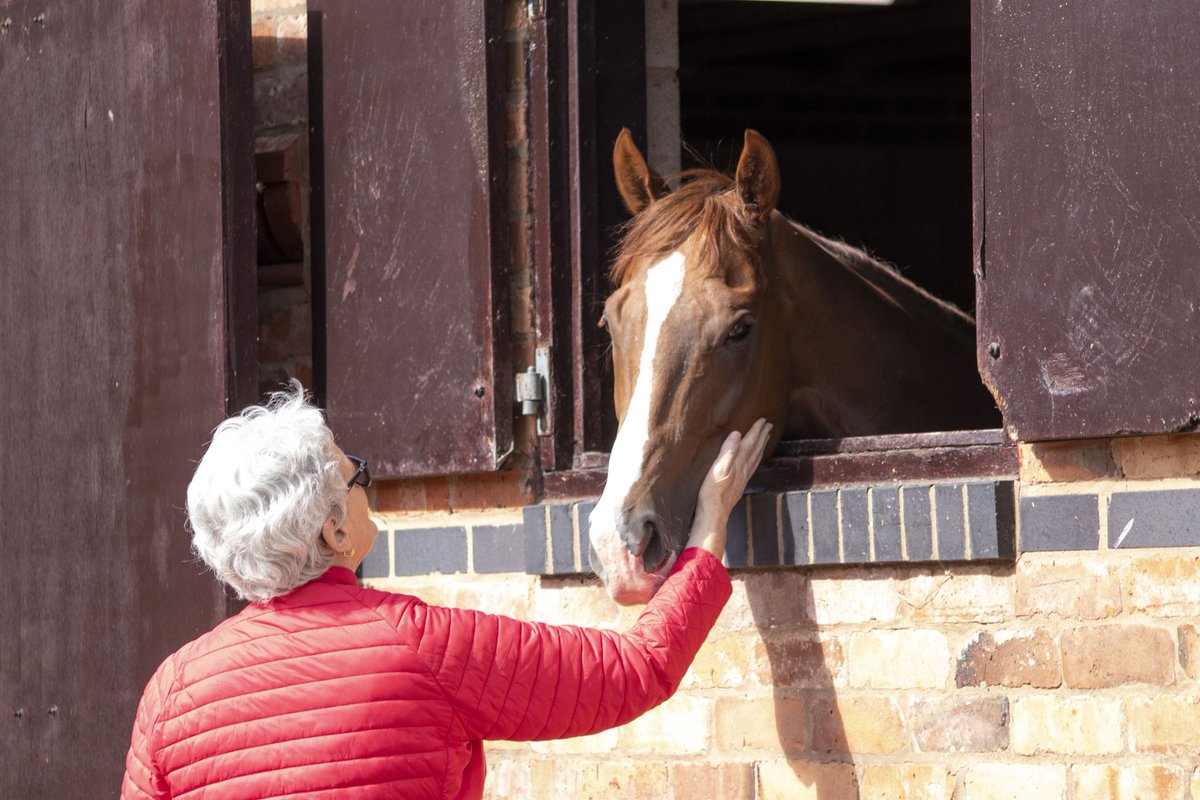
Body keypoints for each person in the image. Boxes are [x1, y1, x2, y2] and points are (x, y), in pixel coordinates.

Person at [120, 382, 772, 800]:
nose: (366, 487)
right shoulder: (425, 650)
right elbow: (637, 671)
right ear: (334, 528)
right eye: (358, 477)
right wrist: (710, 520)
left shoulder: (171, 695)